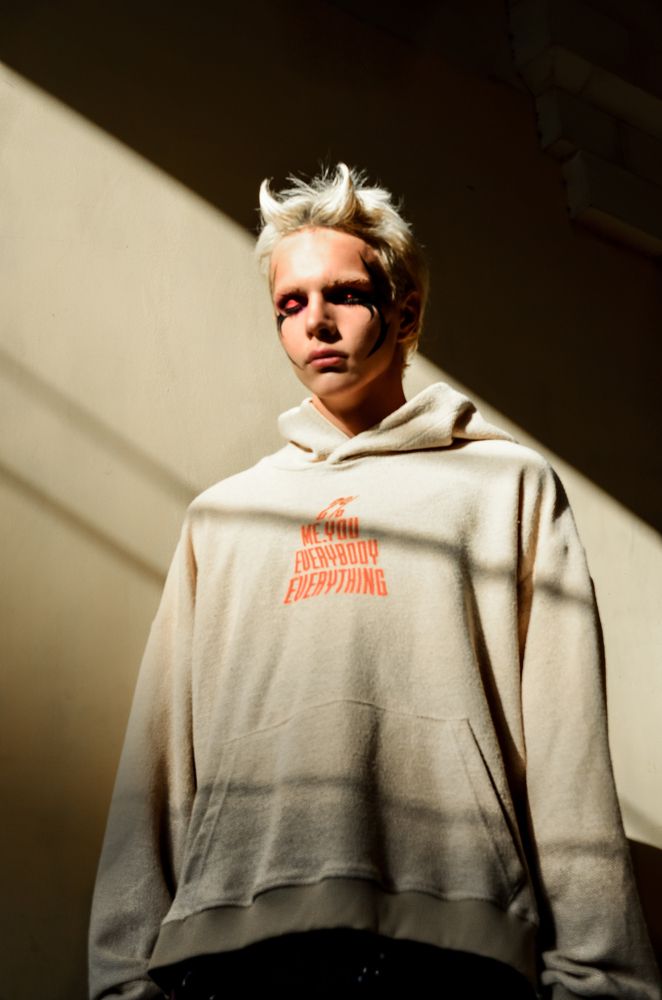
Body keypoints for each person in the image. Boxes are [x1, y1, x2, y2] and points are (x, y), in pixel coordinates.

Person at [88, 164, 660, 999]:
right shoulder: (225, 516)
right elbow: (159, 758)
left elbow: (566, 740)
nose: (315, 322)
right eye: (289, 305)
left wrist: (601, 974)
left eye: (344, 295)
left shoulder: (506, 487)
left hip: (454, 945)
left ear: (406, 312)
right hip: (231, 951)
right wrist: (119, 978)